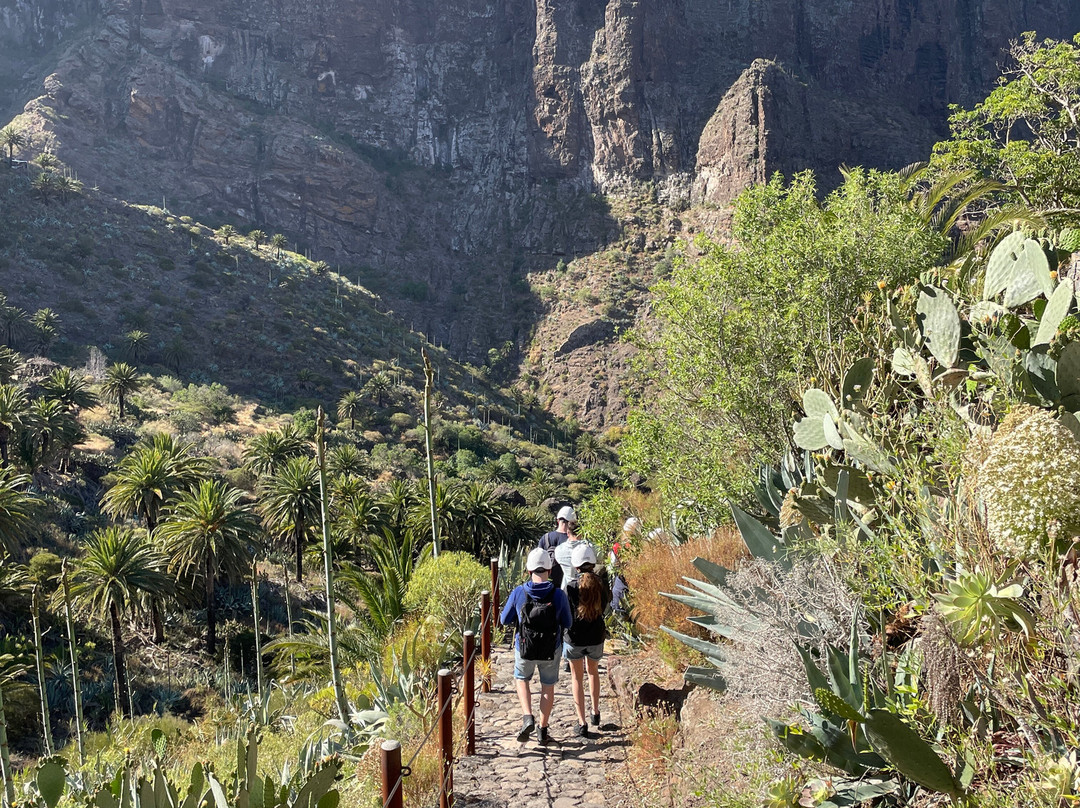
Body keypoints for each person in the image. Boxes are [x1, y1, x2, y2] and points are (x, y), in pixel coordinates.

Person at [500, 547, 573, 744]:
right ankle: (543, 728)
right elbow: (567, 623)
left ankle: (527, 716)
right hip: (551, 648)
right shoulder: (558, 595)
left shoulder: (519, 592)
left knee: (521, 678)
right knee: (547, 687)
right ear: (549, 571)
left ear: (529, 571)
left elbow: (504, 619)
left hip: (524, 648)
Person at [564, 544, 610, 738]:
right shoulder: (601, 584)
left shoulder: (571, 586)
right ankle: (596, 712)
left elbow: (566, 613)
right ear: (592, 564)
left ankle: (581, 722)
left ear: (576, 566)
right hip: (596, 635)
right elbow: (607, 604)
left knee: (576, 677)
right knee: (593, 672)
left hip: (574, 637)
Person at [539, 505, 575, 588]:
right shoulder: (571, 540)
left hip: (547, 585)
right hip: (567, 585)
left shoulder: (545, 538)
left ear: (558, 520)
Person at [553, 517, 592, 591]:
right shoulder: (589, 547)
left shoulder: (559, 550)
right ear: (581, 533)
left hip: (568, 589)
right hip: (588, 589)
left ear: (568, 533)